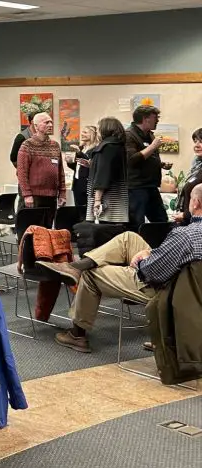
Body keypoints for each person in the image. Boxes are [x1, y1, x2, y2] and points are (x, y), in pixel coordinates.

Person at [38, 184, 202, 353]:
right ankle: (75, 267)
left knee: (91, 274)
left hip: (166, 292)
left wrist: (140, 262)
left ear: (195, 203)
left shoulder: (185, 235)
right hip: (193, 295)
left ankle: (77, 334)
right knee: (129, 238)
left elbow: (152, 273)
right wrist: (150, 253)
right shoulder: (188, 235)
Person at [125, 105, 172, 228]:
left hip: (151, 185)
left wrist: (160, 164)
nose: (157, 120)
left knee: (162, 221)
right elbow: (131, 160)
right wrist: (152, 147)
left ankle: (162, 246)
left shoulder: (149, 135)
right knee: (137, 223)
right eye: (155, 118)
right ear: (145, 119)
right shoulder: (129, 135)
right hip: (137, 187)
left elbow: (147, 158)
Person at [16, 112, 66, 221]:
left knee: (47, 230)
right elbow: (21, 172)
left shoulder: (55, 145)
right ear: (36, 126)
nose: (50, 125)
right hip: (34, 197)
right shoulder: (27, 145)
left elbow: (60, 172)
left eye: (51, 122)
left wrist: (62, 193)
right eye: (46, 122)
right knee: (31, 230)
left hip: (51, 197)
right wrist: (27, 195)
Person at [85, 117, 129, 224]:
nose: (97, 132)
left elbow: (103, 175)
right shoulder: (119, 146)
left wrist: (97, 200)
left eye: (99, 129)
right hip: (119, 196)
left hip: (107, 198)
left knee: (104, 228)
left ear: (106, 129)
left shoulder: (106, 147)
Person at [171, 128, 202, 226]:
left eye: (201, 142)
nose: (197, 145)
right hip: (189, 221)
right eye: (195, 141)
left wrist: (185, 215)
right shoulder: (196, 166)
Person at [66, 125, 98, 210]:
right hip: (77, 183)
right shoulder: (82, 148)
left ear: (92, 135)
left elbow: (91, 165)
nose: (82, 134)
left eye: (85, 132)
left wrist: (79, 153)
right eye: (82, 132)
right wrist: (70, 162)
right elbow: (78, 167)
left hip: (87, 184)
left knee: (86, 210)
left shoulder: (95, 150)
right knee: (78, 209)